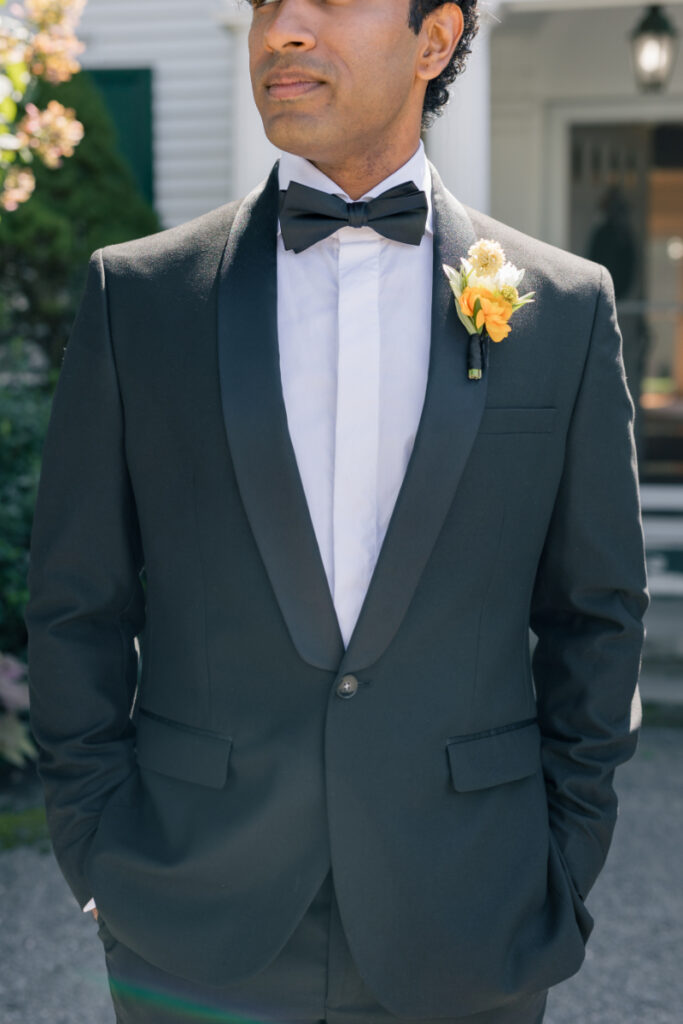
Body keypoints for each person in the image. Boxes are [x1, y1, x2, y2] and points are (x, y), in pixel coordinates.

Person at [25, 2, 649, 1023]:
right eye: (269, 1)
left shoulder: (563, 310)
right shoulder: (136, 299)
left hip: (467, 918)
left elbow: (596, 615)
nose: (282, 30)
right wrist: (96, 849)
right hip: (190, 922)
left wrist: (560, 858)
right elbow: (75, 605)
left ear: (434, 40)